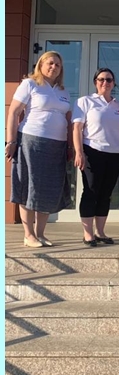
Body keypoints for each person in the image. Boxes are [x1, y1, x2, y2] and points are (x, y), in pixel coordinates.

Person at [5, 51, 73, 247]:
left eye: (57, 65)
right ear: (41, 65)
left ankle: (40, 233)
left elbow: (68, 121)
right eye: (50, 63)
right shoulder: (30, 84)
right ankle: (29, 235)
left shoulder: (63, 91)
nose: (53, 67)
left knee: (48, 189)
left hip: (57, 145)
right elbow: (14, 112)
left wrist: (69, 146)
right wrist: (11, 141)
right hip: (31, 141)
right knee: (29, 186)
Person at [72, 68, 119, 246]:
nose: (105, 82)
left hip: (114, 154)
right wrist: (79, 152)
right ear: (95, 82)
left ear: (114, 83)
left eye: (109, 80)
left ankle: (101, 232)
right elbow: (77, 128)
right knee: (91, 191)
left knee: (106, 194)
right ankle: (88, 233)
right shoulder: (85, 101)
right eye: (101, 79)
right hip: (92, 152)